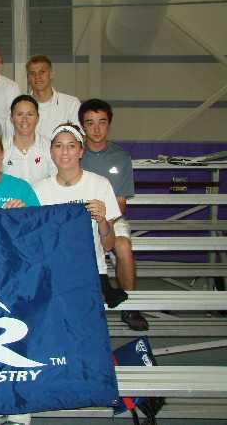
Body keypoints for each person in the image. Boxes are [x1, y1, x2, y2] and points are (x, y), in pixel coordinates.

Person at [33, 123, 127, 308]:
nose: (65, 152)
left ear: (81, 151)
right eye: (58, 146)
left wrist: (102, 220)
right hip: (53, 270)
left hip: (91, 270)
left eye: (71, 145)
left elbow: (108, 245)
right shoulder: (38, 190)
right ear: (51, 152)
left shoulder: (99, 185)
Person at [79, 99, 148, 331]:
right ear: (83, 126)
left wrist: (103, 226)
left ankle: (131, 306)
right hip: (80, 219)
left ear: (109, 124)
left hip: (112, 217)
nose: (96, 128)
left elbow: (120, 203)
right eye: (90, 123)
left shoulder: (121, 157)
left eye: (102, 122)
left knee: (123, 246)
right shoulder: (75, 154)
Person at [2, 95, 56, 185]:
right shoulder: (1, 149)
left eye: (30, 114)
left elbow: (57, 181)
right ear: (11, 118)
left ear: (37, 118)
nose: (24, 119)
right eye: (20, 114)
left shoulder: (50, 148)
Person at [26, 55, 80, 141]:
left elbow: (78, 139)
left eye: (42, 72)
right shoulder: (19, 107)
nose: (37, 77)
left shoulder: (71, 104)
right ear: (28, 78)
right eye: (32, 73)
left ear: (51, 74)